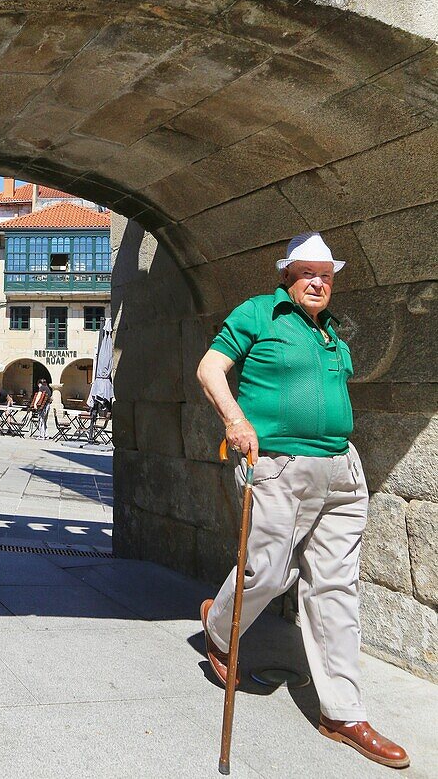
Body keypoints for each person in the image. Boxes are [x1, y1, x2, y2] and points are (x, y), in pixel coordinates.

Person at [196, 232, 409, 770]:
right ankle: (220, 629)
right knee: (265, 572)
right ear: (286, 276)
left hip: (341, 469)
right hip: (278, 468)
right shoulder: (258, 314)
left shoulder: (330, 333)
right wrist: (236, 420)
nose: (319, 282)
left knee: (337, 586)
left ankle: (343, 712)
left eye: (328, 276)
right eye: (308, 273)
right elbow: (210, 369)